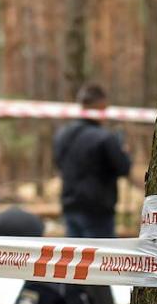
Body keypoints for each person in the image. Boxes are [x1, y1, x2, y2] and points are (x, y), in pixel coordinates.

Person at [53, 83, 132, 237]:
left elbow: (58, 164)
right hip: (98, 212)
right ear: (101, 105)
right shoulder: (105, 137)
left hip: (70, 206)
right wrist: (125, 153)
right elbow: (123, 167)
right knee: (100, 259)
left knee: (73, 259)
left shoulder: (62, 134)